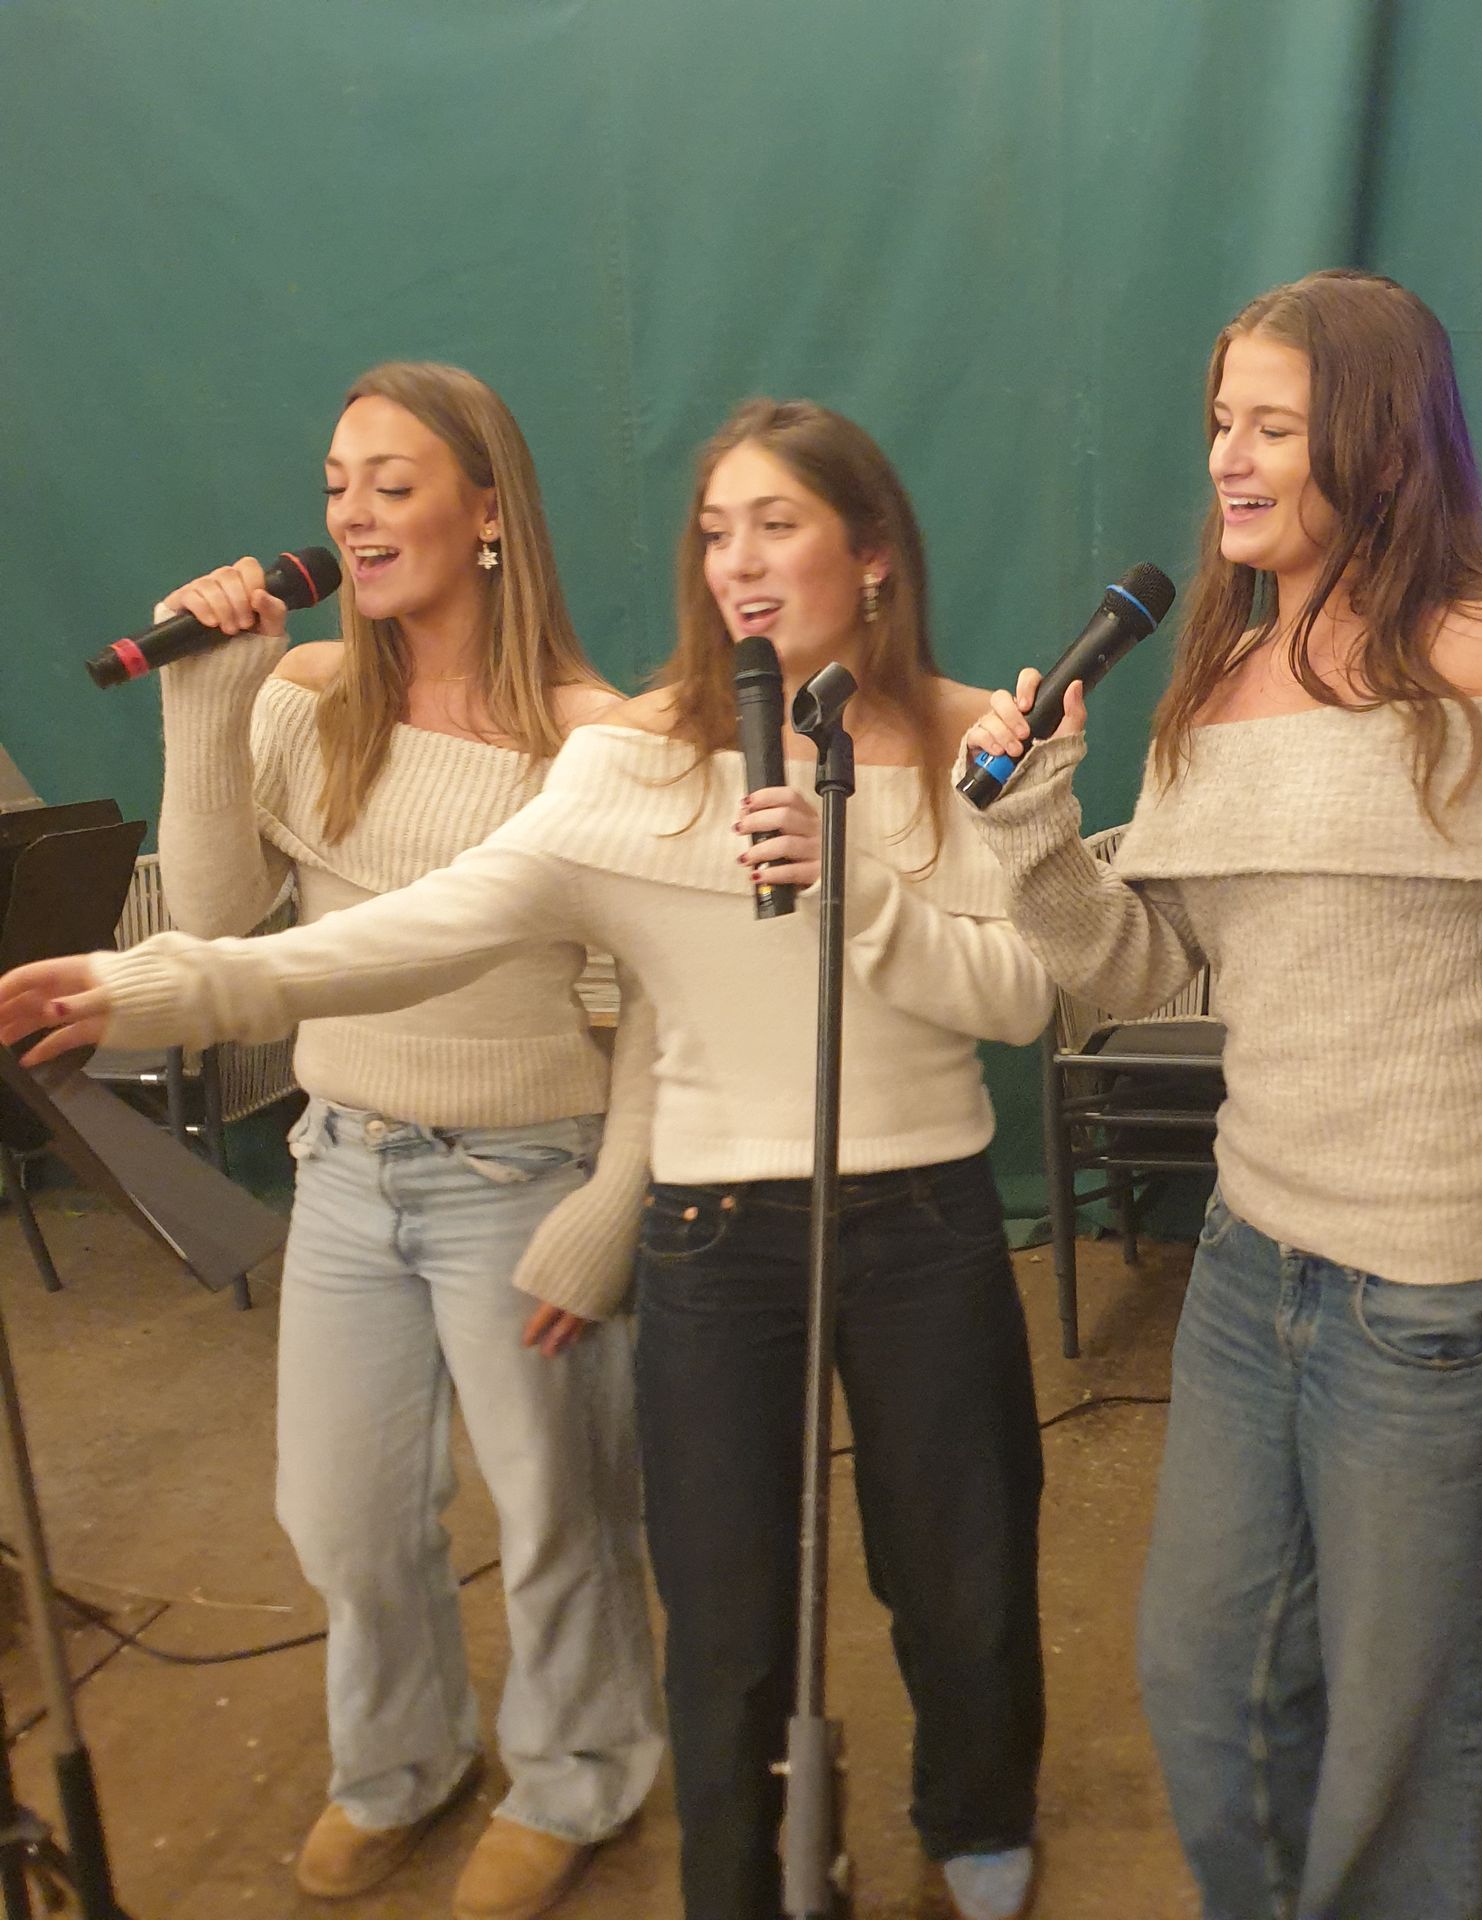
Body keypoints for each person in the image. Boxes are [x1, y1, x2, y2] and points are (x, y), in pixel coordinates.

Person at [3, 399, 1053, 1920]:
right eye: (713, 533)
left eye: (778, 526)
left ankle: (973, 1812)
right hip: (710, 1223)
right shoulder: (631, 766)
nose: (738, 564)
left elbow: (1024, 996)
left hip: (926, 1213)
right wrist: (140, 987)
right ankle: (739, 1875)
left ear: (872, 551)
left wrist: (860, 893)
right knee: (726, 1616)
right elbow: (391, 939)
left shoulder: (974, 737)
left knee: (955, 1574)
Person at [958, 270, 1482, 1920]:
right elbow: (1136, 970)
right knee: (1207, 1683)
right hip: (1252, 1264)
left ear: (1382, 442)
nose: (1228, 460)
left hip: (1430, 1293)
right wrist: (1033, 829)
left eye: (1272, 425)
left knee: (1405, 1747)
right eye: (1218, 425)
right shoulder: (1216, 682)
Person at [121, 361, 665, 1920]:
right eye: (336, 486)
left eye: (393, 482)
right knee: (342, 1519)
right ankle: (404, 1763)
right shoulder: (304, 702)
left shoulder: (594, 740)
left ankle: (578, 1776)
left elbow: (654, 1012)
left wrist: (610, 1207)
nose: (352, 514)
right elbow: (217, 930)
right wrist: (206, 698)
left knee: (560, 1510)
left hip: (525, 1174)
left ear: (487, 512)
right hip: (345, 1164)